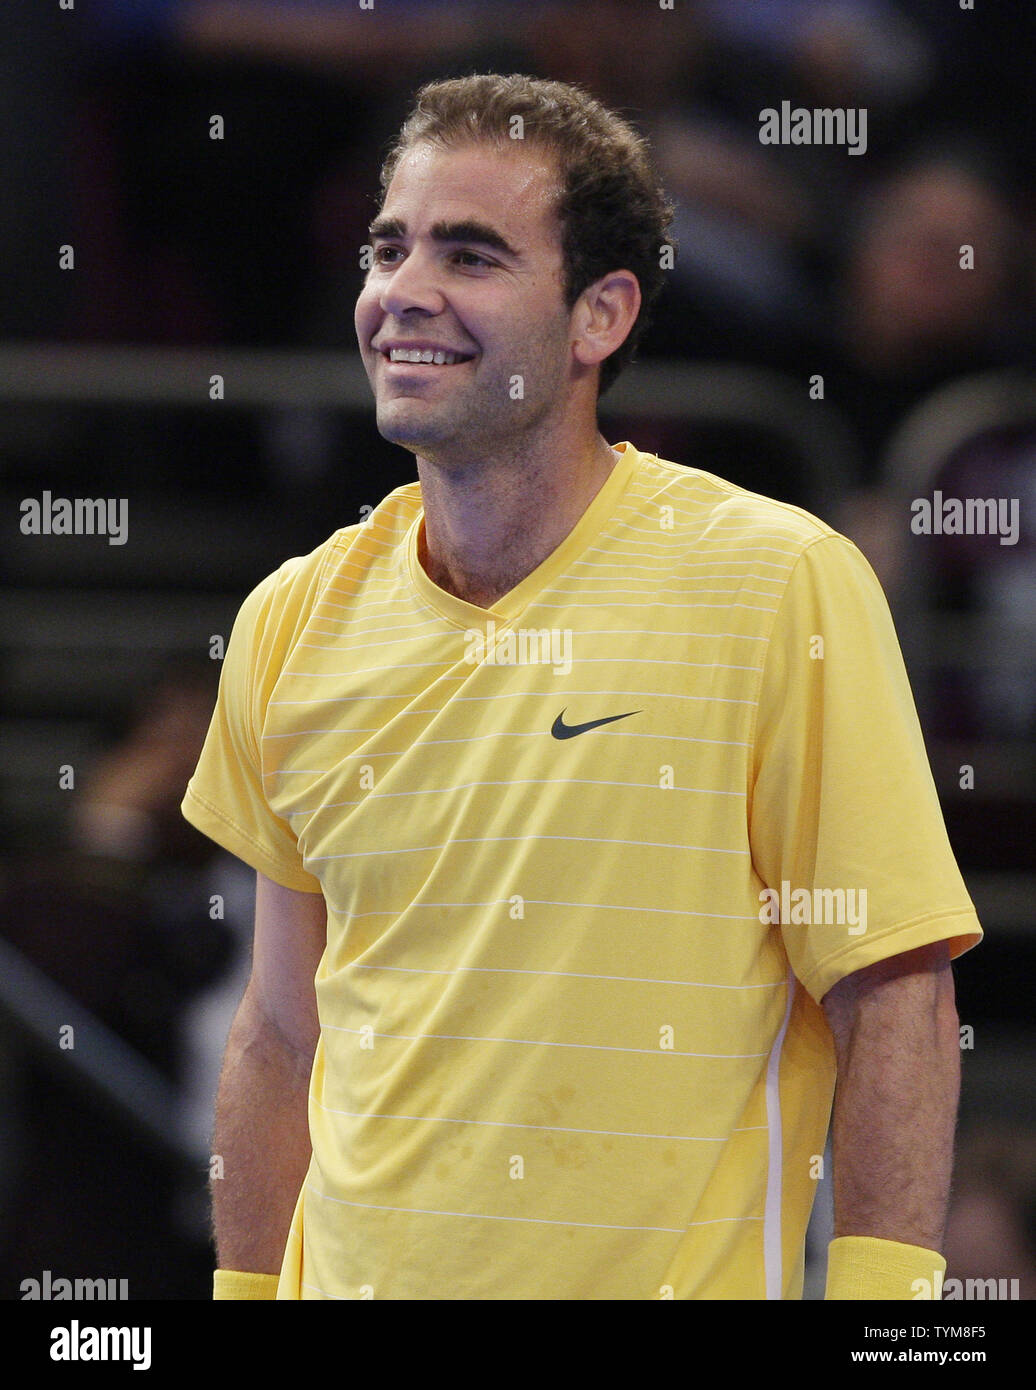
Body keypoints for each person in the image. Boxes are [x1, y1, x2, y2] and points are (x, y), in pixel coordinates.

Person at [181, 72, 982, 1300]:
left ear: (600, 315)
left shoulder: (779, 585)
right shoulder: (293, 617)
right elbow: (280, 1033)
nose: (403, 293)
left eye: (471, 254)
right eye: (387, 247)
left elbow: (897, 998)